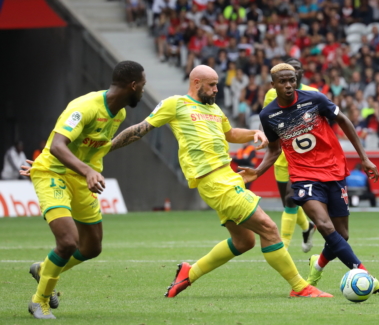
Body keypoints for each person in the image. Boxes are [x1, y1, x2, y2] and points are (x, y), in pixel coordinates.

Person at [109, 65, 331, 299]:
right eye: (212, 85)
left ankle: (189, 273)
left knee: (244, 241)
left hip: (228, 176)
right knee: (268, 228)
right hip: (214, 181)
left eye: (217, 84)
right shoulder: (175, 104)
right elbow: (140, 129)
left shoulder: (213, 109)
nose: (216, 89)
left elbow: (230, 133)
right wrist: (107, 147)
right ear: (196, 83)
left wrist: (256, 134)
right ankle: (300, 287)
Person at [19, 61, 147, 319]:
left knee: (92, 248)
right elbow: (57, 145)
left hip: (79, 177)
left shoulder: (119, 113)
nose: (143, 91)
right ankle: (39, 301)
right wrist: (86, 170)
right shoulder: (85, 107)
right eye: (142, 86)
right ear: (133, 85)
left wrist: (86, 169)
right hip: (53, 174)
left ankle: (44, 269)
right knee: (67, 242)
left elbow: (96, 146)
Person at [244, 63, 379, 293]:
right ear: (273, 85)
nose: (288, 85)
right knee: (326, 226)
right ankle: (364, 274)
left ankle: (316, 267)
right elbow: (274, 150)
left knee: (342, 235)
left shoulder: (315, 99)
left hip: (333, 170)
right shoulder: (268, 115)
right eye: (283, 81)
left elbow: (344, 121)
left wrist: (364, 158)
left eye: (291, 80)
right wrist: (257, 172)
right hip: (303, 176)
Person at [263, 58, 317, 252]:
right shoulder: (271, 94)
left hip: (302, 156)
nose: (290, 76)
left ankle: (283, 245)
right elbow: (268, 119)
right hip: (281, 156)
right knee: (289, 203)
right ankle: (307, 226)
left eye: (295, 71)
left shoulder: (313, 94)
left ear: (299, 74)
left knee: (290, 199)